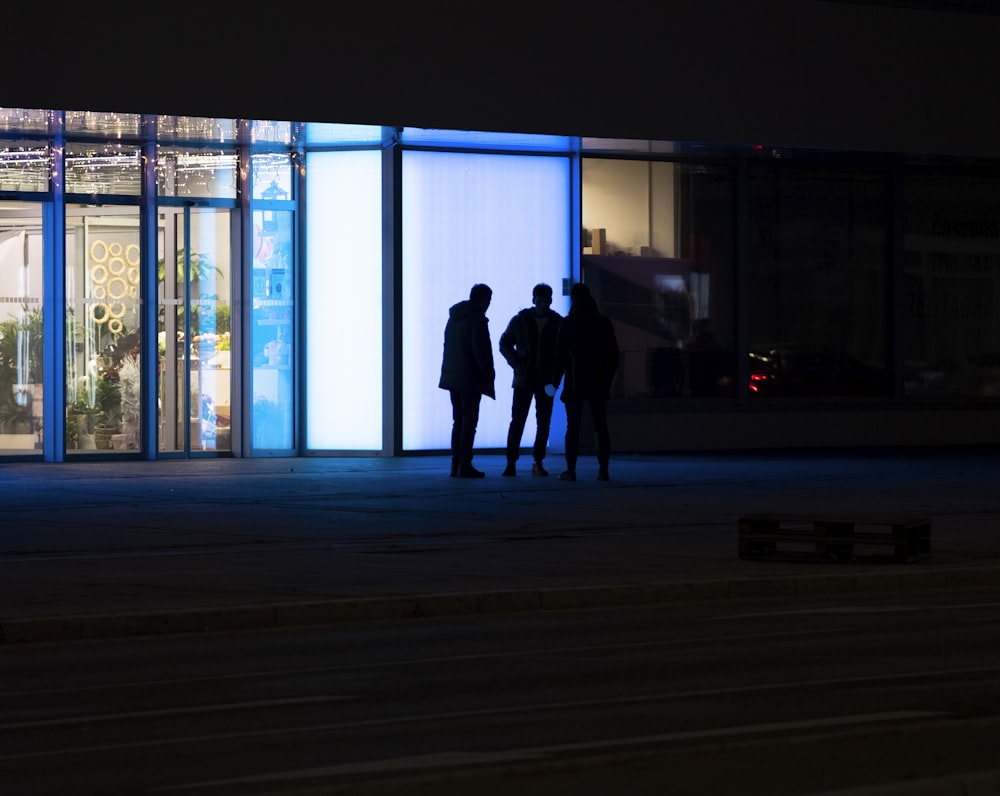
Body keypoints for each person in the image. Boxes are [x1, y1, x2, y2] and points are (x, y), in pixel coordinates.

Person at [550, 282, 620, 482]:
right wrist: (607, 380)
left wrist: (554, 382)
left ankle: (570, 470)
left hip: (574, 382)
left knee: (573, 427)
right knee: (601, 426)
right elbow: (613, 355)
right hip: (598, 382)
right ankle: (603, 470)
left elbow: (560, 357)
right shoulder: (603, 322)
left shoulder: (569, 322)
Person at [498, 283, 563, 477]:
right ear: (534, 300)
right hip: (536, 379)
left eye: (546, 299)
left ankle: (519, 462)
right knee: (527, 421)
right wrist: (517, 364)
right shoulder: (554, 321)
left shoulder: (523, 320)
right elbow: (505, 343)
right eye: (540, 299)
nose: (543, 303)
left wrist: (517, 364)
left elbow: (505, 343)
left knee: (533, 422)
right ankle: (529, 462)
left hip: (530, 379)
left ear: (549, 300)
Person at [438, 283, 496, 478]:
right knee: (469, 422)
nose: (489, 304)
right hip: (470, 379)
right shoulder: (477, 319)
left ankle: (456, 465)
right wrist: (489, 374)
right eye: (488, 300)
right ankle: (465, 465)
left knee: (458, 421)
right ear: (482, 300)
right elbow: (481, 352)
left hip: (453, 377)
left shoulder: (454, 318)